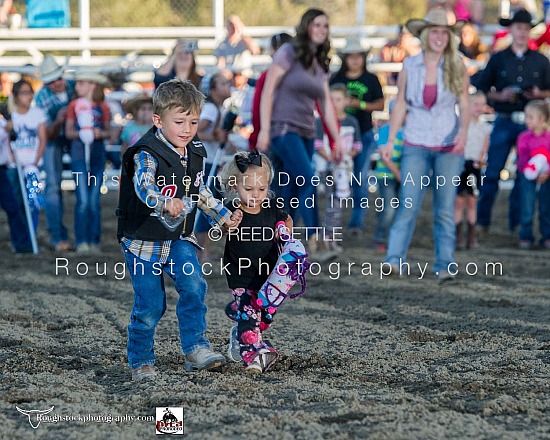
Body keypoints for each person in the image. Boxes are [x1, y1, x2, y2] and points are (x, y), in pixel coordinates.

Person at [116, 79, 242, 381]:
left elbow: (201, 192)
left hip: (177, 238)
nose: (187, 129)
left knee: (194, 285)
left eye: (193, 121)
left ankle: (196, 347)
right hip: (142, 242)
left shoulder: (195, 151)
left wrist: (223, 216)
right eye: (179, 121)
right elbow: (144, 187)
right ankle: (141, 360)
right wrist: (163, 202)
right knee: (150, 305)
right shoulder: (145, 153)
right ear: (158, 120)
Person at [380, 8, 470, 282]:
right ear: (425, 34)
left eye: (445, 32)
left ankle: (445, 263)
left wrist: (463, 135)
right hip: (415, 141)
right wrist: (391, 139)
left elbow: (464, 105)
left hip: (448, 144)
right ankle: (394, 259)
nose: (440, 37)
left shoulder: (457, 65)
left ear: (450, 36)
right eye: (435, 31)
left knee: (444, 208)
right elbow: (401, 104)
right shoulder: (411, 65)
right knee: (408, 202)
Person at [256, 8, 342, 254]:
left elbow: (325, 103)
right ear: (306, 27)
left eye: (325, 26)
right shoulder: (288, 52)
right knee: (308, 179)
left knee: (292, 187)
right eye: (317, 25)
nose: (321, 30)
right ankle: (316, 241)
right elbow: (268, 90)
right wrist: (263, 129)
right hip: (282, 128)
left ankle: (278, 242)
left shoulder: (319, 61)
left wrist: (336, 140)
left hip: (306, 132)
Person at [219, 150, 309, 373]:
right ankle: (254, 356)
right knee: (250, 319)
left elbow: (286, 222)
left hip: (269, 275)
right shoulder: (233, 211)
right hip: (241, 274)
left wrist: (285, 235)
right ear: (234, 187)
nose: (256, 194)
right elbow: (221, 228)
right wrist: (229, 223)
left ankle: (238, 322)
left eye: (261, 189)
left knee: (265, 316)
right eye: (248, 189)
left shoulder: (273, 207)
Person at [475, 9, 550, 235]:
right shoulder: (498, 59)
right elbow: (482, 88)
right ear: (511, 29)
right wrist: (501, 95)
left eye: (526, 28)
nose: (521, 32)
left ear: (529, 31)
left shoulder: (540, 60)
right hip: (505, 119)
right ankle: (483, 221)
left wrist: (538, 94)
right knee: (493, 172)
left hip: (530, 125)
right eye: (518, 27)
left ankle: (517, 224)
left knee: (523, 175)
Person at [330, 37, 385, 236]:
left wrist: (358, 105)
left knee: (359, 179)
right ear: (345, 58)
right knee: (333, 177)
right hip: (337, 134)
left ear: (363, 58)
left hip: (364, 134)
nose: (354, 60)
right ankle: (334, 219)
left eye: (358, 56)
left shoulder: (370, 79)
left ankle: (356, 222)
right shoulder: (336, 79)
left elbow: (380, 104)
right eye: (350, 57)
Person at [65, 72, 111, 254]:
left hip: (97, 156)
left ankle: (94, 240)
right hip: (79, 156)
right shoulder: (73, 105)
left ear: (92, 84)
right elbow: (69, 132)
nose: (77, 87)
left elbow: (109, 132)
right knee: (83, 199)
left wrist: (99, 133)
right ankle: (82, 240)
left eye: (82, 83)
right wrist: (82, 133)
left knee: (93, 199)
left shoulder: (103, 107)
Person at [314, 83, 362, 254]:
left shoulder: (351, 122)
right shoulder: (321, 121)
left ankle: (329, 237)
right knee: (333, 203)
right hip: (327, 168)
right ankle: (329, 238)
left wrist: (345, 157)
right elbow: (318, 145)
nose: (335, 103)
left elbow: (357, 146)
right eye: (331, 100)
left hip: (344, 169)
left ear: (347, 101)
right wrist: (332, 158)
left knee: (336, 204)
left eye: (339, 99)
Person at [35, 55, 76, 253]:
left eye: (59, 78)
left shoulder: (73, 86)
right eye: (52, 80)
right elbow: (47, 134)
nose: (58, 83)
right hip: (53, 138)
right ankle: (57, 236)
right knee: (52, 186)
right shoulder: (41, 98)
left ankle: (68, 236)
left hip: (72, 136)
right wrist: (60, 120)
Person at [195, 72, 232, 260]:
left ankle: (202, 248)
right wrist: (216, 137)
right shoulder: (211, 109)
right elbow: (196, 132)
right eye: (223, 84)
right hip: (206, 161)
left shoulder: (216, 108)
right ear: (213, 90)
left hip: (210, 160)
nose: (228, 86)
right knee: (206, 205)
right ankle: (199, 249)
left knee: (209, 205)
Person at [9, 79, 47, 232]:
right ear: (16, 96)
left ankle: (32, 232)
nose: (28, 96)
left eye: (29, 92)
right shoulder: (10, 115)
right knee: (17, 201)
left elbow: (43, 139)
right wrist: (14, 160)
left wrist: (34, 162)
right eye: (24, 93)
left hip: (34, 166)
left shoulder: (37, 114)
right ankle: (20, 235)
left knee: (33, 202)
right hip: (15, 166)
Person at [454, 92, 491, 249]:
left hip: (474, 167)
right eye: (475, 104)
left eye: (482, 104)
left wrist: (481, 161)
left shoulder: (485, 128)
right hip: (461, 165)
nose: (479, 108)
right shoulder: (460, 125)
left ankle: (471, 237)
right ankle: (457, 237)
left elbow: (484, 147)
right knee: (458, 201)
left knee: (472, 201)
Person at [248, 32, 293, 151]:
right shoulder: (297, 76)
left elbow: (257, 109)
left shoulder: (267, 76)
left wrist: (259, 134)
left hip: (278, 135)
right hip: (282, 134)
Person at [515, 100, 550, 249]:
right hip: (526, 177)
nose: (526, 120)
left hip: (547, 178)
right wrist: (530, 172)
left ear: (542, 119)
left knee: (546, 207)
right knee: (527, 206)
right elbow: (522, 158)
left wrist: (547, 173)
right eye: (526, 116)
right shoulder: (523, 137)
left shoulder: (548, 138)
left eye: (530, 117)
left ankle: (547, 235)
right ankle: (526, 235)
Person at [373, 100, 403, 253]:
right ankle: (380, 238)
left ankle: (393, 238)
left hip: (401, 177)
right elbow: (385, 156)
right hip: (386, 175)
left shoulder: (408, 132)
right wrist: (398, 173)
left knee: (394, 208)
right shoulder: (385, 130)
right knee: (389, 208)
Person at [0, 114, 33, 253]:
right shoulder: (4, 124)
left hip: (2, 168)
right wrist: (5, 130)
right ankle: (21, 242)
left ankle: (22, 243)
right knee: (12, 205)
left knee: (12, 205)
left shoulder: (2, 120)